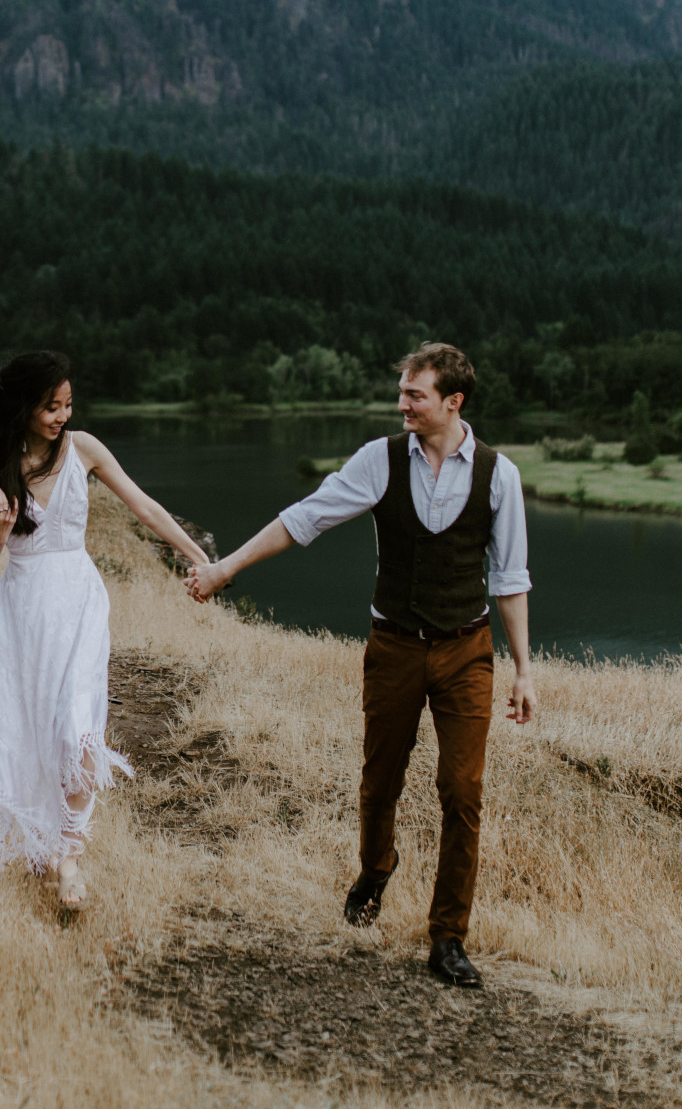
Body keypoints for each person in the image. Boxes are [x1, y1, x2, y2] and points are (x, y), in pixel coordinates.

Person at [186, 342, 536, 987]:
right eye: (402, 392)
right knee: (380, 783)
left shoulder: (500, 475)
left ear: (452, 402)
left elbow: (510, 578)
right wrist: (224, 568)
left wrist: (522, 670)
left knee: (463, 792)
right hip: (395, 646)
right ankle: (376, 868)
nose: (401, 403)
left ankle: (448, 938)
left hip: (467, 649)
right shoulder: (379, 461)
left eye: (414, 395)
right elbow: (304, 519)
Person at [0, 351, 212, 909]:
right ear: (22, 406)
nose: (62, 416)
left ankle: (68, 859)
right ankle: (36, 843)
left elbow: (143, 505)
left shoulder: (85, 449)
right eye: (51, 406)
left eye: (68, 404)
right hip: (22, 610)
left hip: (78, 603)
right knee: (26, 730)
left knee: (78, 730)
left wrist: (200, 558)